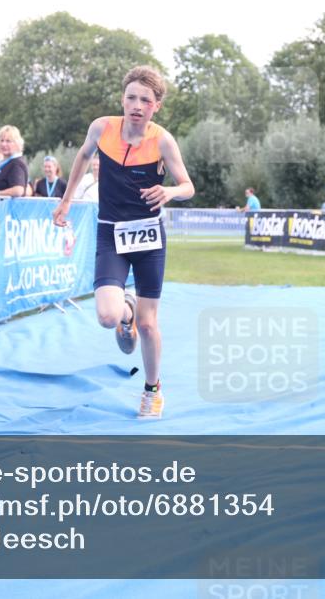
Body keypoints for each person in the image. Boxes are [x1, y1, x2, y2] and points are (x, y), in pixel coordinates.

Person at [52, 66, 194, 419]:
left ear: (156, 106)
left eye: (145, 100)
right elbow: (83, 158)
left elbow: (188, 186)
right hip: (110, 232)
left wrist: (170, 191)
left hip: (148, 236)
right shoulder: (102, 128)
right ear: (122, 99)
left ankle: (152, 390)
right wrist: (66, 201)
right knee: (106, 316)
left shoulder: (162, 140)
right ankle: (124, 311)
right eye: (131, 97)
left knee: (149, 325)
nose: (136, 105)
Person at [0, 125, 29, 196]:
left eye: (8, 141)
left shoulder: (16, 163)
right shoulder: (5, 163)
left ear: (17, 143)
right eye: (1, 140)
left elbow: (18, 190)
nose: (3, 144)